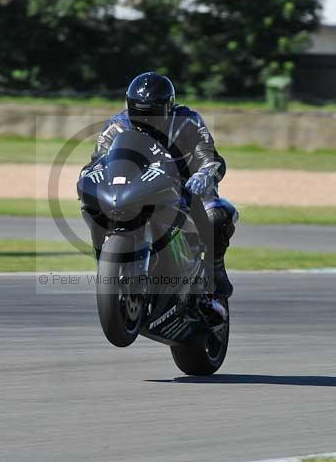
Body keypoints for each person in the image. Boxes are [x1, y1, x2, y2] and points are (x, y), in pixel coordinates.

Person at [80, 71, 237, 322]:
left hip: (186, 189)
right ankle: (112, 269)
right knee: (95, 204)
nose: (145, 118)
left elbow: (212, 160)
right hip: (137, 190)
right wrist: (91, 175)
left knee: (217, 215)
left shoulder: (188, 121)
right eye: (139, 111)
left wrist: (203, 176)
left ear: (169, 106)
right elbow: (99, 161)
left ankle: (214, 277)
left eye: (152, 112)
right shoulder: (116, 126)